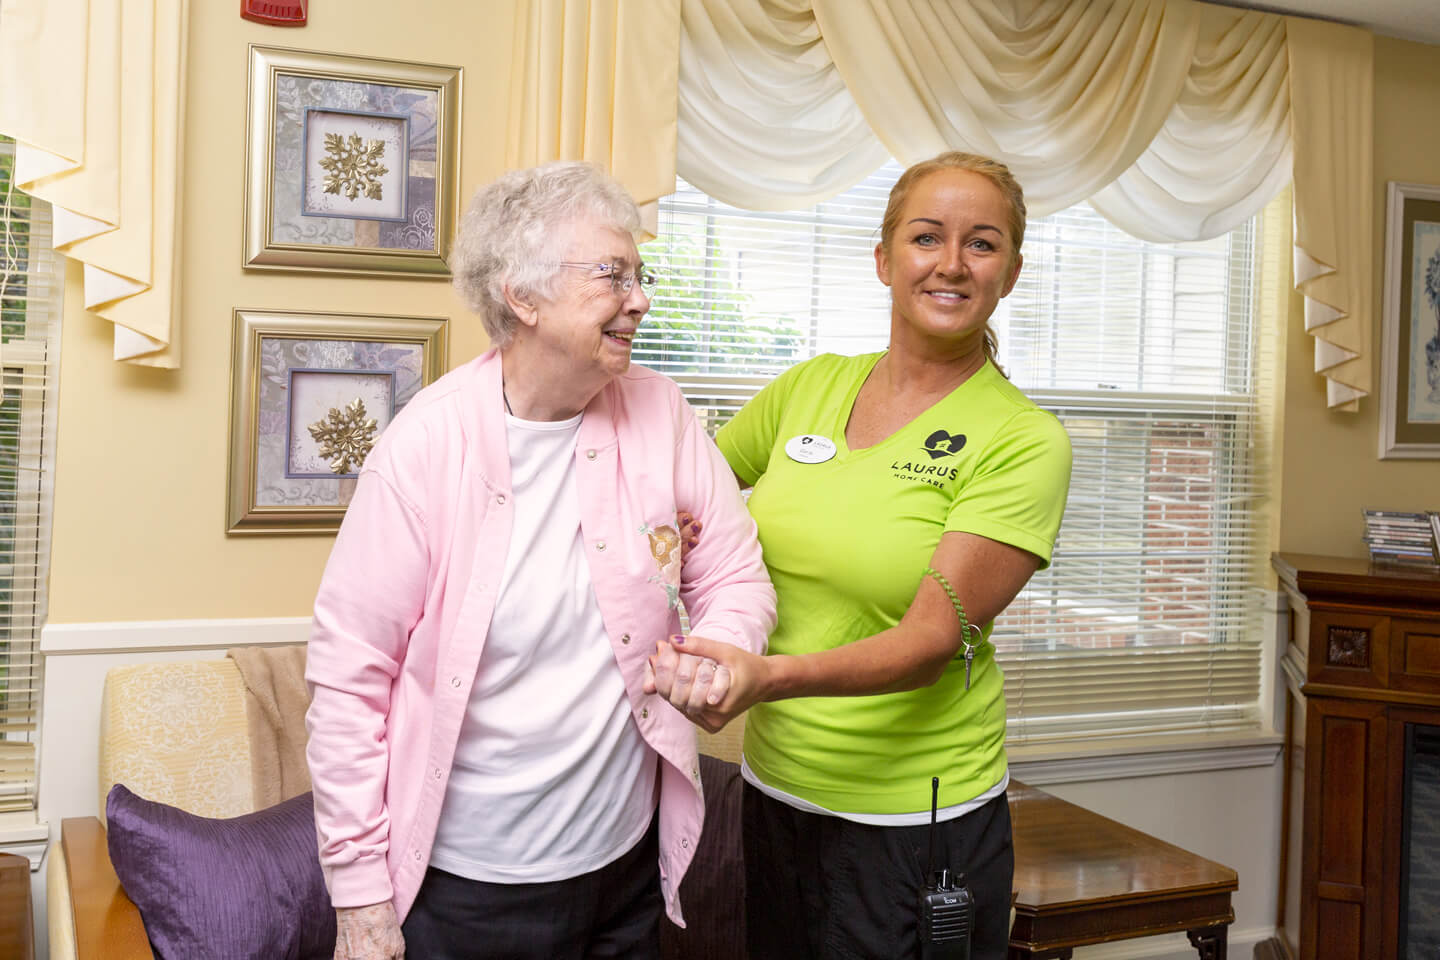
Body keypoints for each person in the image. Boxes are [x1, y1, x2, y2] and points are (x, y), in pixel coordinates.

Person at [305, 161, 777, 960]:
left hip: (624, 868)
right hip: (469, 890)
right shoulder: (426, 446)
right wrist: (360, 899)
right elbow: (350, 679)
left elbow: (733, 576)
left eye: (640, 275)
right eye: (611, 275)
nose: (641, 299)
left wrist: (719, 654)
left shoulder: (661, 412)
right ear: (521, 297)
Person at [646, 152, 1072, 959]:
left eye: (981, 244)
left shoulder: (1024, 440)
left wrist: (761, 678)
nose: (951, 263)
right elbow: (677, 493)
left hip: (914, 824)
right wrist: (678, 535)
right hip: (778, 795)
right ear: (884, 260)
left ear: (1010, 274)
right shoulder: (809, 387)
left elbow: (927, 643)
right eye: (926, 238)